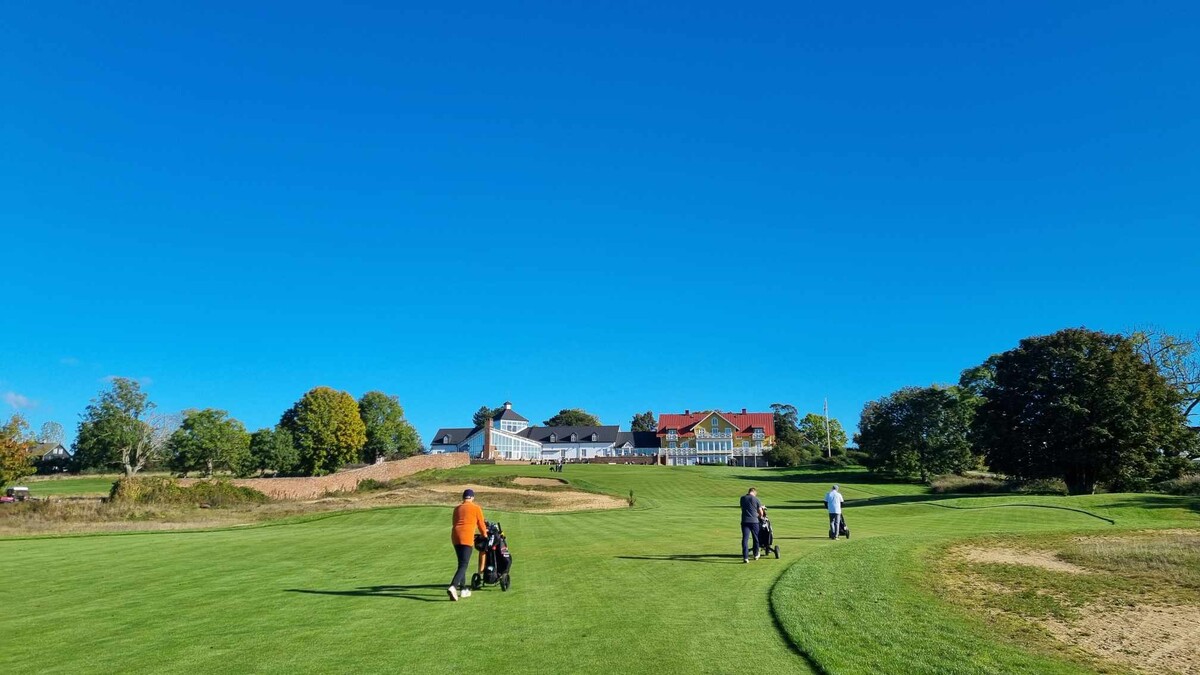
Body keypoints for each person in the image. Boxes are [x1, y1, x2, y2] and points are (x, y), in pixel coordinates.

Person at [448, 488, 488, 601]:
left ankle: (463, 589)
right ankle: (453, 586)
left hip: (455, 536)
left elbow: (455, 522)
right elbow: (481, 524)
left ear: (463, 498)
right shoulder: (476, 508)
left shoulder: (457, 508)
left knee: (461, 563)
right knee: (464, 564)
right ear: (472, 497)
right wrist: (485, 535)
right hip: (466, 536)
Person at [740, 487, 765, 563]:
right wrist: (760, 515)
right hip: (754, 521)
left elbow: (743, 508)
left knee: (745, 539)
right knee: (756, 538)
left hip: (745, 521)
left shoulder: (742, 498)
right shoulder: (756, 499)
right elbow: (761, 513)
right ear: (754, 492)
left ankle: (745, 557)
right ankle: (756, 554)